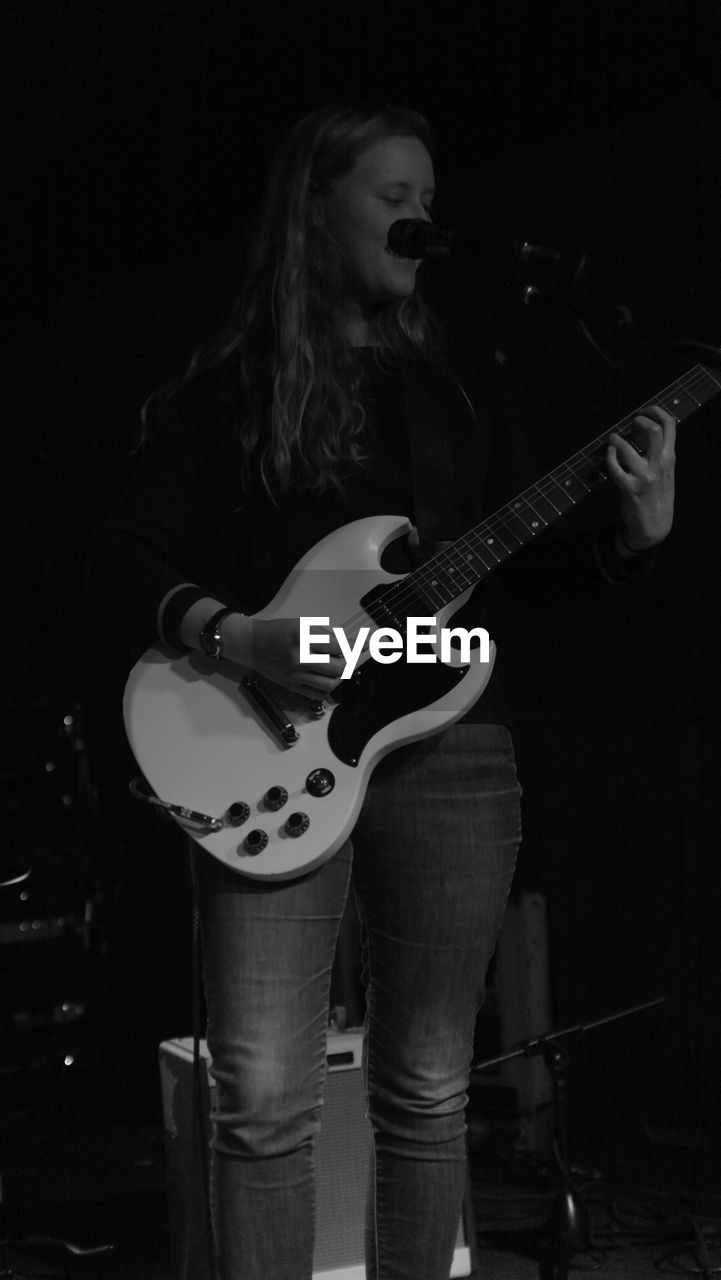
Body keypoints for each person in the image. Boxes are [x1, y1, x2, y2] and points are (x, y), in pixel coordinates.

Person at [88, 102, 676, 1280]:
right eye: (391, 194)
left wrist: (632, 533)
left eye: (426, 197)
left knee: (429, 1085)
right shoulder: (233, 386)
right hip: (270, 744)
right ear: (316, 207)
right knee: (259, 1090)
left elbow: (526, 573)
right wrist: (239, 633)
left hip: (450, 751)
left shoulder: (455, 385)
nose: (421, 215)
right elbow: (122, 554)